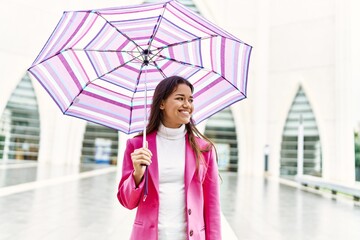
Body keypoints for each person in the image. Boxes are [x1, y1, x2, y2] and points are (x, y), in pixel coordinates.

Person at [117, 76, 221, 240]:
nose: (187, 105)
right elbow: (127, 202)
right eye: (180, 98)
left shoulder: (204, 150)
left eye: (190, 99)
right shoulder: (137, 146)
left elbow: (212, 206)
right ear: (162, 103)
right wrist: (137, 174)